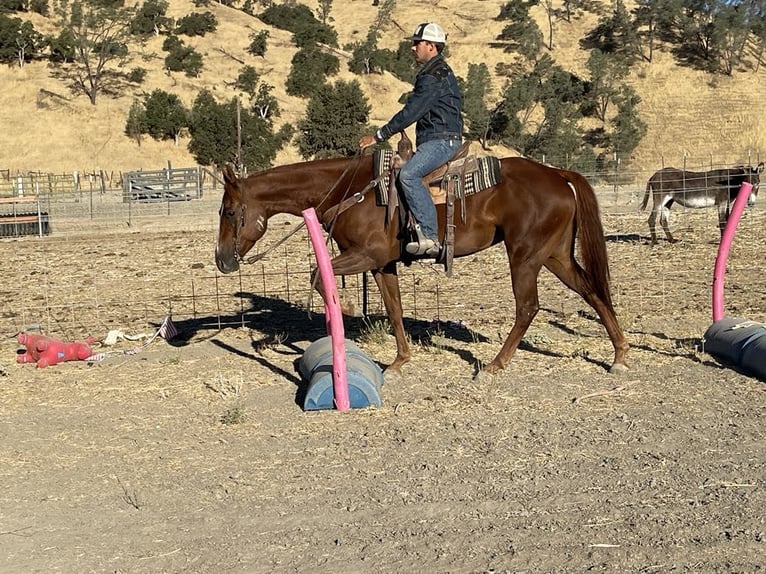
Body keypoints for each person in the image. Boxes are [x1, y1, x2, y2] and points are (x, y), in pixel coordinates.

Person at [359, 22, 463, 257]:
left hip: (441, 140)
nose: (413, 47)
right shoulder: (436, 71)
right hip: (438, 137)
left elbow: (412, 111)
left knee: (408, 175)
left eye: (417, 43)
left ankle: (429, 236)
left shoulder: (432, 76)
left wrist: (379, 135)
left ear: (431, 46)